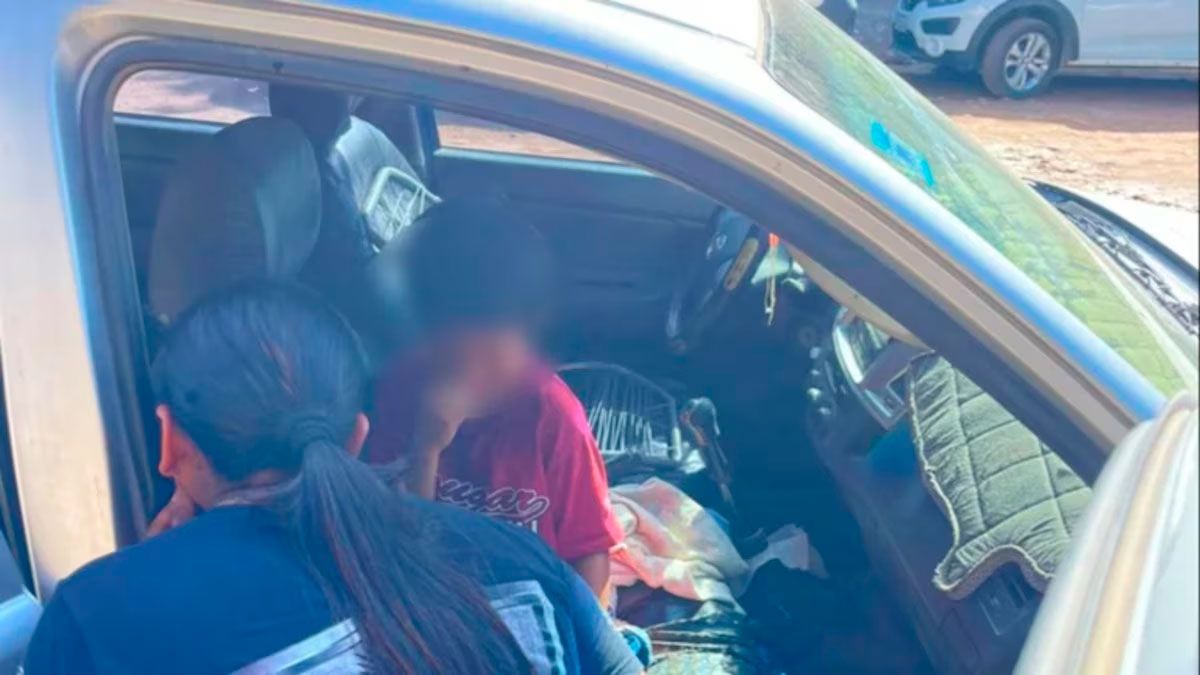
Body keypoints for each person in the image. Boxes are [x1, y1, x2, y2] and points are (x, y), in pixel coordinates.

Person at [23, 284, 639, 675]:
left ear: (170, 441)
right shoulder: (521, 564)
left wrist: (149, 581)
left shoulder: (99, 618)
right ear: (357, 435)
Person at [368, 203, 623, 601]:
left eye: (490, 358)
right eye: (451, 359)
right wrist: (426, 449)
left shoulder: (553, 415)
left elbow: (589, 551)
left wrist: (583, 626)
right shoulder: (402, 396)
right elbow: (397, 544)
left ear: (529, 335)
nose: (471, 376)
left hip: (536, 600)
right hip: (434, 597)